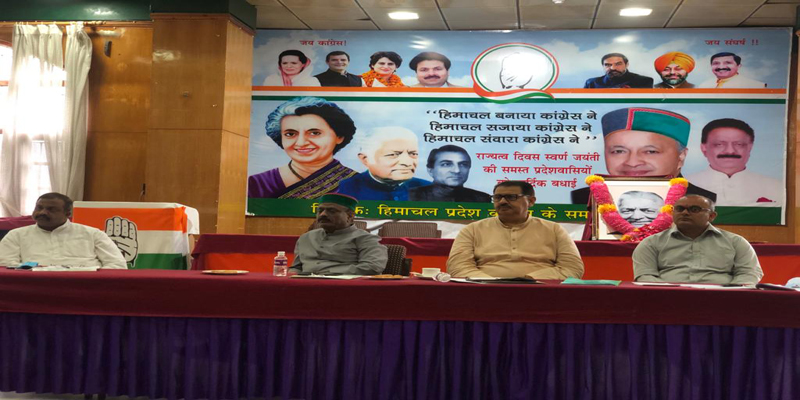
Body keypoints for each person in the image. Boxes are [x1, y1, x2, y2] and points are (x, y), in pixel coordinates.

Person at [571, 107, 716, 204]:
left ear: (681, 156)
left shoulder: (705, 201)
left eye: (650, 151)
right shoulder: (582, 199)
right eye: (619, 151)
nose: (632, 162)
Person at [446, 181, 584, 280]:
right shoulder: (473, 230)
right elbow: (458, 266)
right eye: (497, 197)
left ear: (531, 201)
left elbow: (572, 268)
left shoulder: (553, 229)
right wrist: (491, 282)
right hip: (485, 291)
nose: (502, 202)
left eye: (511, 197)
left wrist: (529, 280)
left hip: (540, 291)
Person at [633, 195, 763, 285]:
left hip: (723, 300)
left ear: (711, 216)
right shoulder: (651, 243)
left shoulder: (736, 242)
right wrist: (668, 292)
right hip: (667, 299)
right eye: (679, 209)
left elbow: (749, 273)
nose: (685, 213)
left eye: (694, 209)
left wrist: (732, 293)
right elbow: (645, 276)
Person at [248, 97, 357, 199]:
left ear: (339, 137)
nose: (301, 143)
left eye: (314, 133)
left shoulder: (357, 183)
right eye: (290, 134)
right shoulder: (258, 183)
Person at [0, 193, 127, 269]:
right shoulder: (16, 235)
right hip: (34, 286)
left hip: (86, 287)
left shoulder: (93, 234)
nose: (43, 212)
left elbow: (117, 265)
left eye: (51, 209)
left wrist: (92, 279)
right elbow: (5, 265)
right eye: (39, 208)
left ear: (67, 213)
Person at [686, 118, 782, 206]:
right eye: (719, 144)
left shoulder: (776, 187)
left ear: (750, 148)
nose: (730, 151)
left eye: (739, 144)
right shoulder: (685, 184)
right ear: (704, 148)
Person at [290, 194, 387, 275]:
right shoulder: (306, 237)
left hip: (344, 287)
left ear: (350, 216)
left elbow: (372, 267)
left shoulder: (366, 239)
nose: (323, 214)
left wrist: (325, 274)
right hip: (304, 285)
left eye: (332, 211)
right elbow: (296, 267)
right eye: (320, 211)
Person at [337, 127, 430, 201]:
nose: (407, 162)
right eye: (393, 155)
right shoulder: (342, 190)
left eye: (413, 154)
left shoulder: (429, 189)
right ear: (365, 159)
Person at [409, 145, 490, 203]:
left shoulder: (482, 199)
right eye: (446, 164)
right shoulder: (410, 196)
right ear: (430, 170)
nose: (456, 170)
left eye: (463, 164)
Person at [584, 53, 653, 89]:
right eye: (607, 65)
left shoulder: (644, 81)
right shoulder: (592, 83)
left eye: (618, 64)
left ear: (627, 64)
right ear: (603, 66)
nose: (613, 68)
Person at [699, 52, 766, 88]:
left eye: (728, 63)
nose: (721, 67)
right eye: (716, 63)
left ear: (738, 66)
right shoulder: (704, 85)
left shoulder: (756, 86)